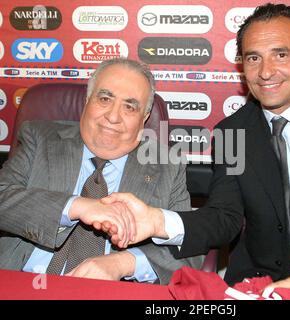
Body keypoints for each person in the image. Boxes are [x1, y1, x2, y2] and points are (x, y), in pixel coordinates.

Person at [103, 4, 290, 299]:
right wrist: (157, 221)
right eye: (253, 58)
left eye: (281, 54)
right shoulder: (231, 131)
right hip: (256, 286)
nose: (265, 72)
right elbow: (224, 217)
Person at [0, 57, 203, 284]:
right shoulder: (40, 137)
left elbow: (190, 252)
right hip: (21, 281)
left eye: (129, 106)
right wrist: (76, 206)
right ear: (87, 100)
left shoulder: (167, 165)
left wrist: (125, 263)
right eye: (105, 98)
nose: (113, 117)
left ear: (144, 118)